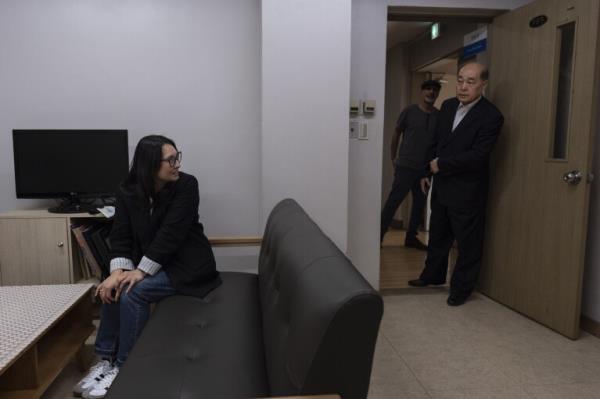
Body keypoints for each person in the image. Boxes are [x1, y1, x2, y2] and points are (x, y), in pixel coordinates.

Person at [73, 135, 221, 399]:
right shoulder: (127, 190)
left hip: (186, 265)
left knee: (133, 292)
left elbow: (171, 234)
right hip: (150, 262)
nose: (176, 164)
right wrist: (116, 272)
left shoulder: (187, 185)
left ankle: (124, 367)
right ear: (151, 164)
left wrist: (139, 272)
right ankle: (105, 360)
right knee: (114, 284)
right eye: (170, 160)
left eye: (177, 157)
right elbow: (121, 235)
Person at [409, 63, 504, 307]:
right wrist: (425, 171)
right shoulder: (449, 106)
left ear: (484, 84)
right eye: (460, 80)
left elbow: (478, 155)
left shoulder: (491, 116)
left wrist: (441, 165)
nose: (462, 86)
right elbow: (436, 141)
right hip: (441, 185)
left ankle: (461, 289)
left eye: (470, 82)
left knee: (467, 242)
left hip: (468, 190)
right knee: (438, 234)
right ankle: (432, 276)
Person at [380, 79, 441, 250]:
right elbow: (396, 134)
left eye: (435, 90)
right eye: (428, 89)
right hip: (405, 165)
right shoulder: (409, 111)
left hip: (425, 170)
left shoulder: (439, 116)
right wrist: (393, 158)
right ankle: (378, 236)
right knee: (394, 201)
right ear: (422, 92)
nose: (431, 92)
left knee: (419, 204)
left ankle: (411, 238)